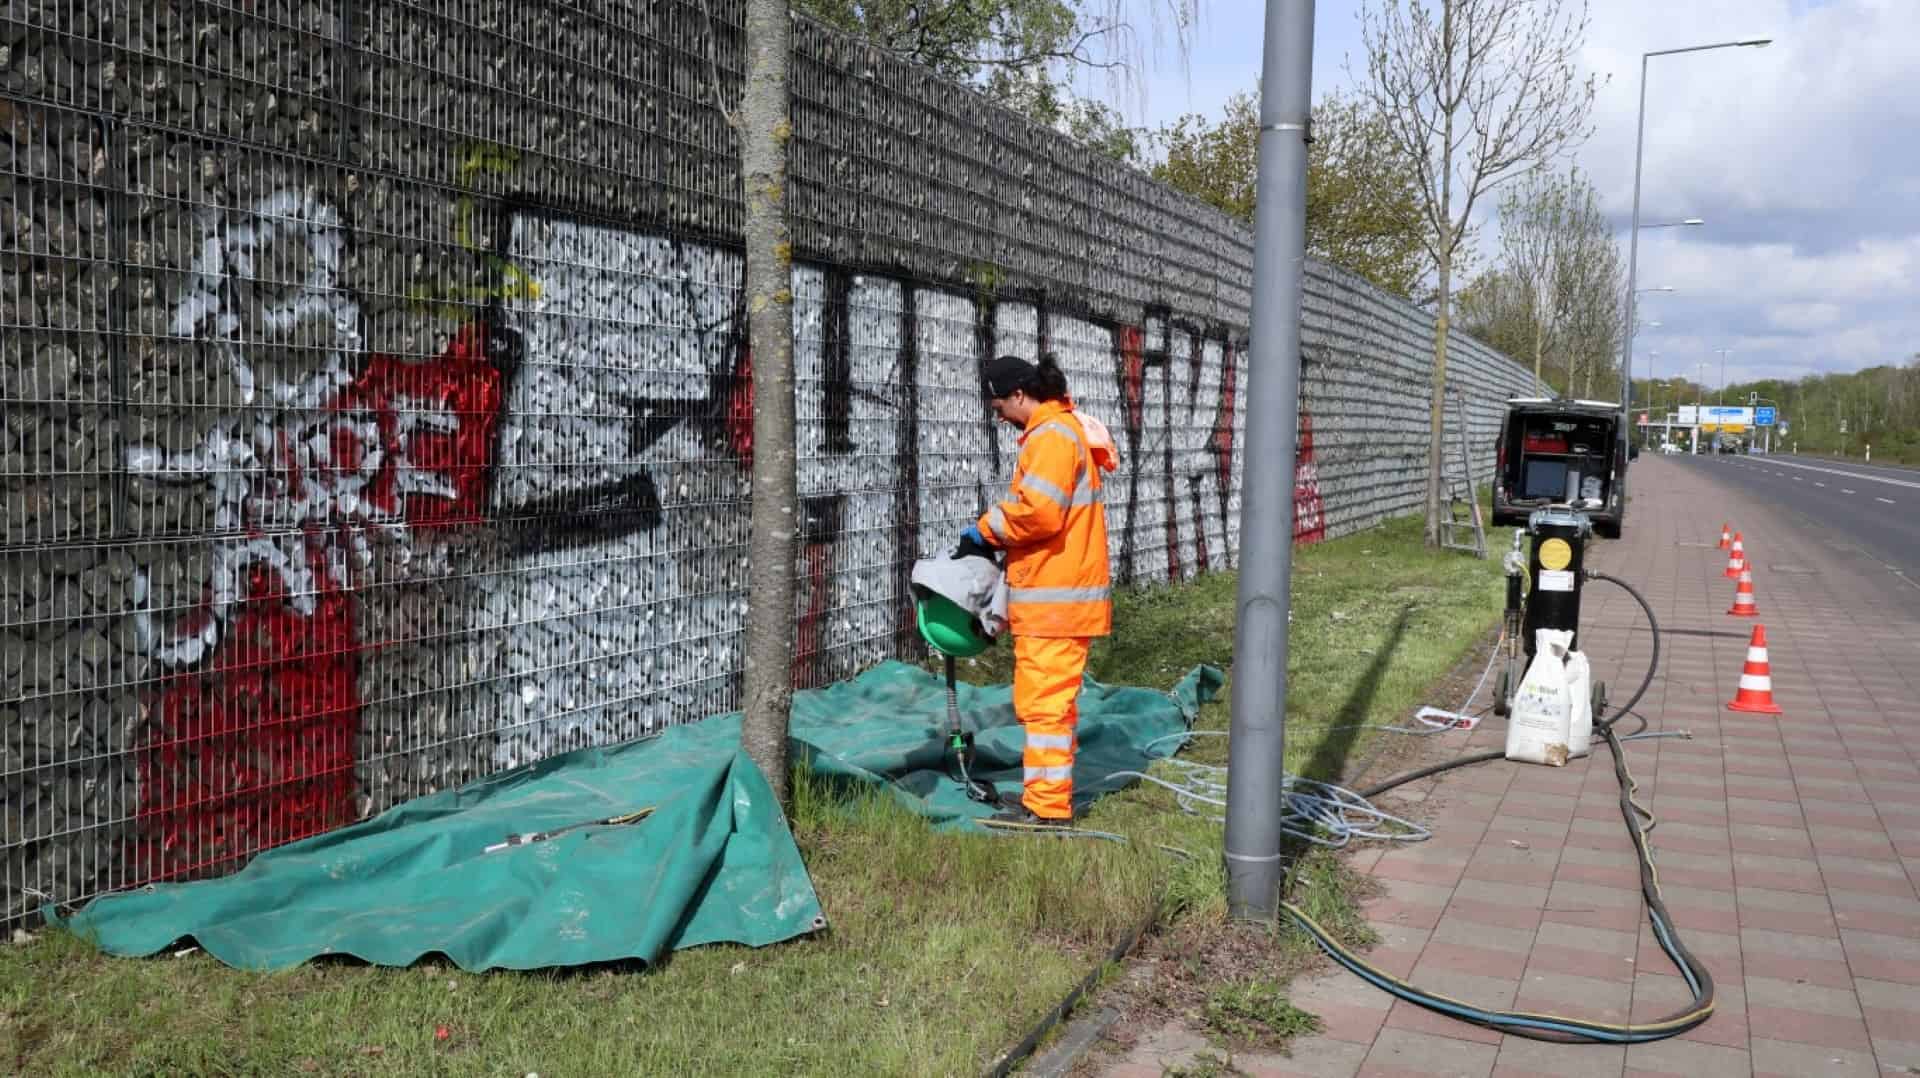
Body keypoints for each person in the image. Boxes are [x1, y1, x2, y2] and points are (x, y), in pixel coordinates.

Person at [957, 353, 1117, 825]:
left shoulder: (1050, 438)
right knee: (1048, 705)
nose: (999, 416)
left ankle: (1047, 812)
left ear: (1019, 395)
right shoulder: (1062, 431)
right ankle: (1043, 799)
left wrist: (985, 530)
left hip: (1055, 602)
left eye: (998, 405)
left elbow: (1040, 513)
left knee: (1045, 708)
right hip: (1058, 599)